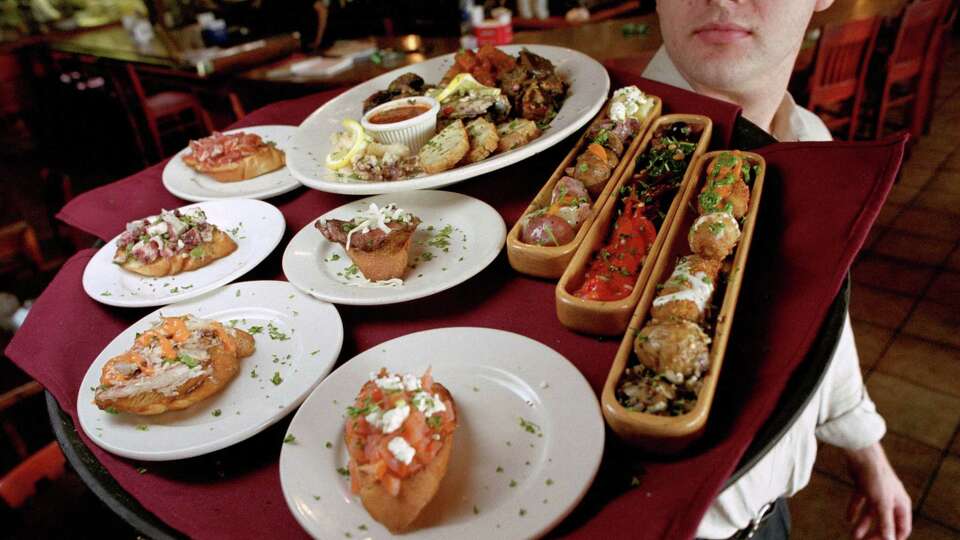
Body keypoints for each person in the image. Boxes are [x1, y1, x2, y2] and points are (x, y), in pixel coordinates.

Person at [642, 1, 913, 539]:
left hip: (770, 520)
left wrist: (866, 450)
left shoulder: (812, 140)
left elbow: (821, 317)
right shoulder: (568, 165)